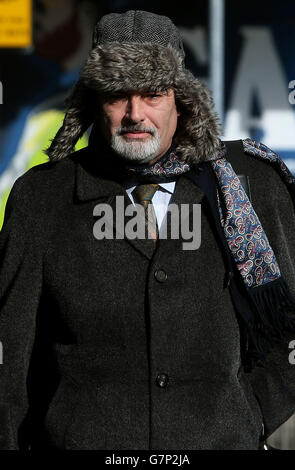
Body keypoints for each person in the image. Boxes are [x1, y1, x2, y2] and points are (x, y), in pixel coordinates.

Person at [0, 10, 295, 451]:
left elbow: (287, 318)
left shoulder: (252, 184)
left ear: (181, 98)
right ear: (93, 100)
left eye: (152, 93)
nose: (135, 113)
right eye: (118, 95)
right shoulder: (41, 198)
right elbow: (12, 355)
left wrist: (252, 416)